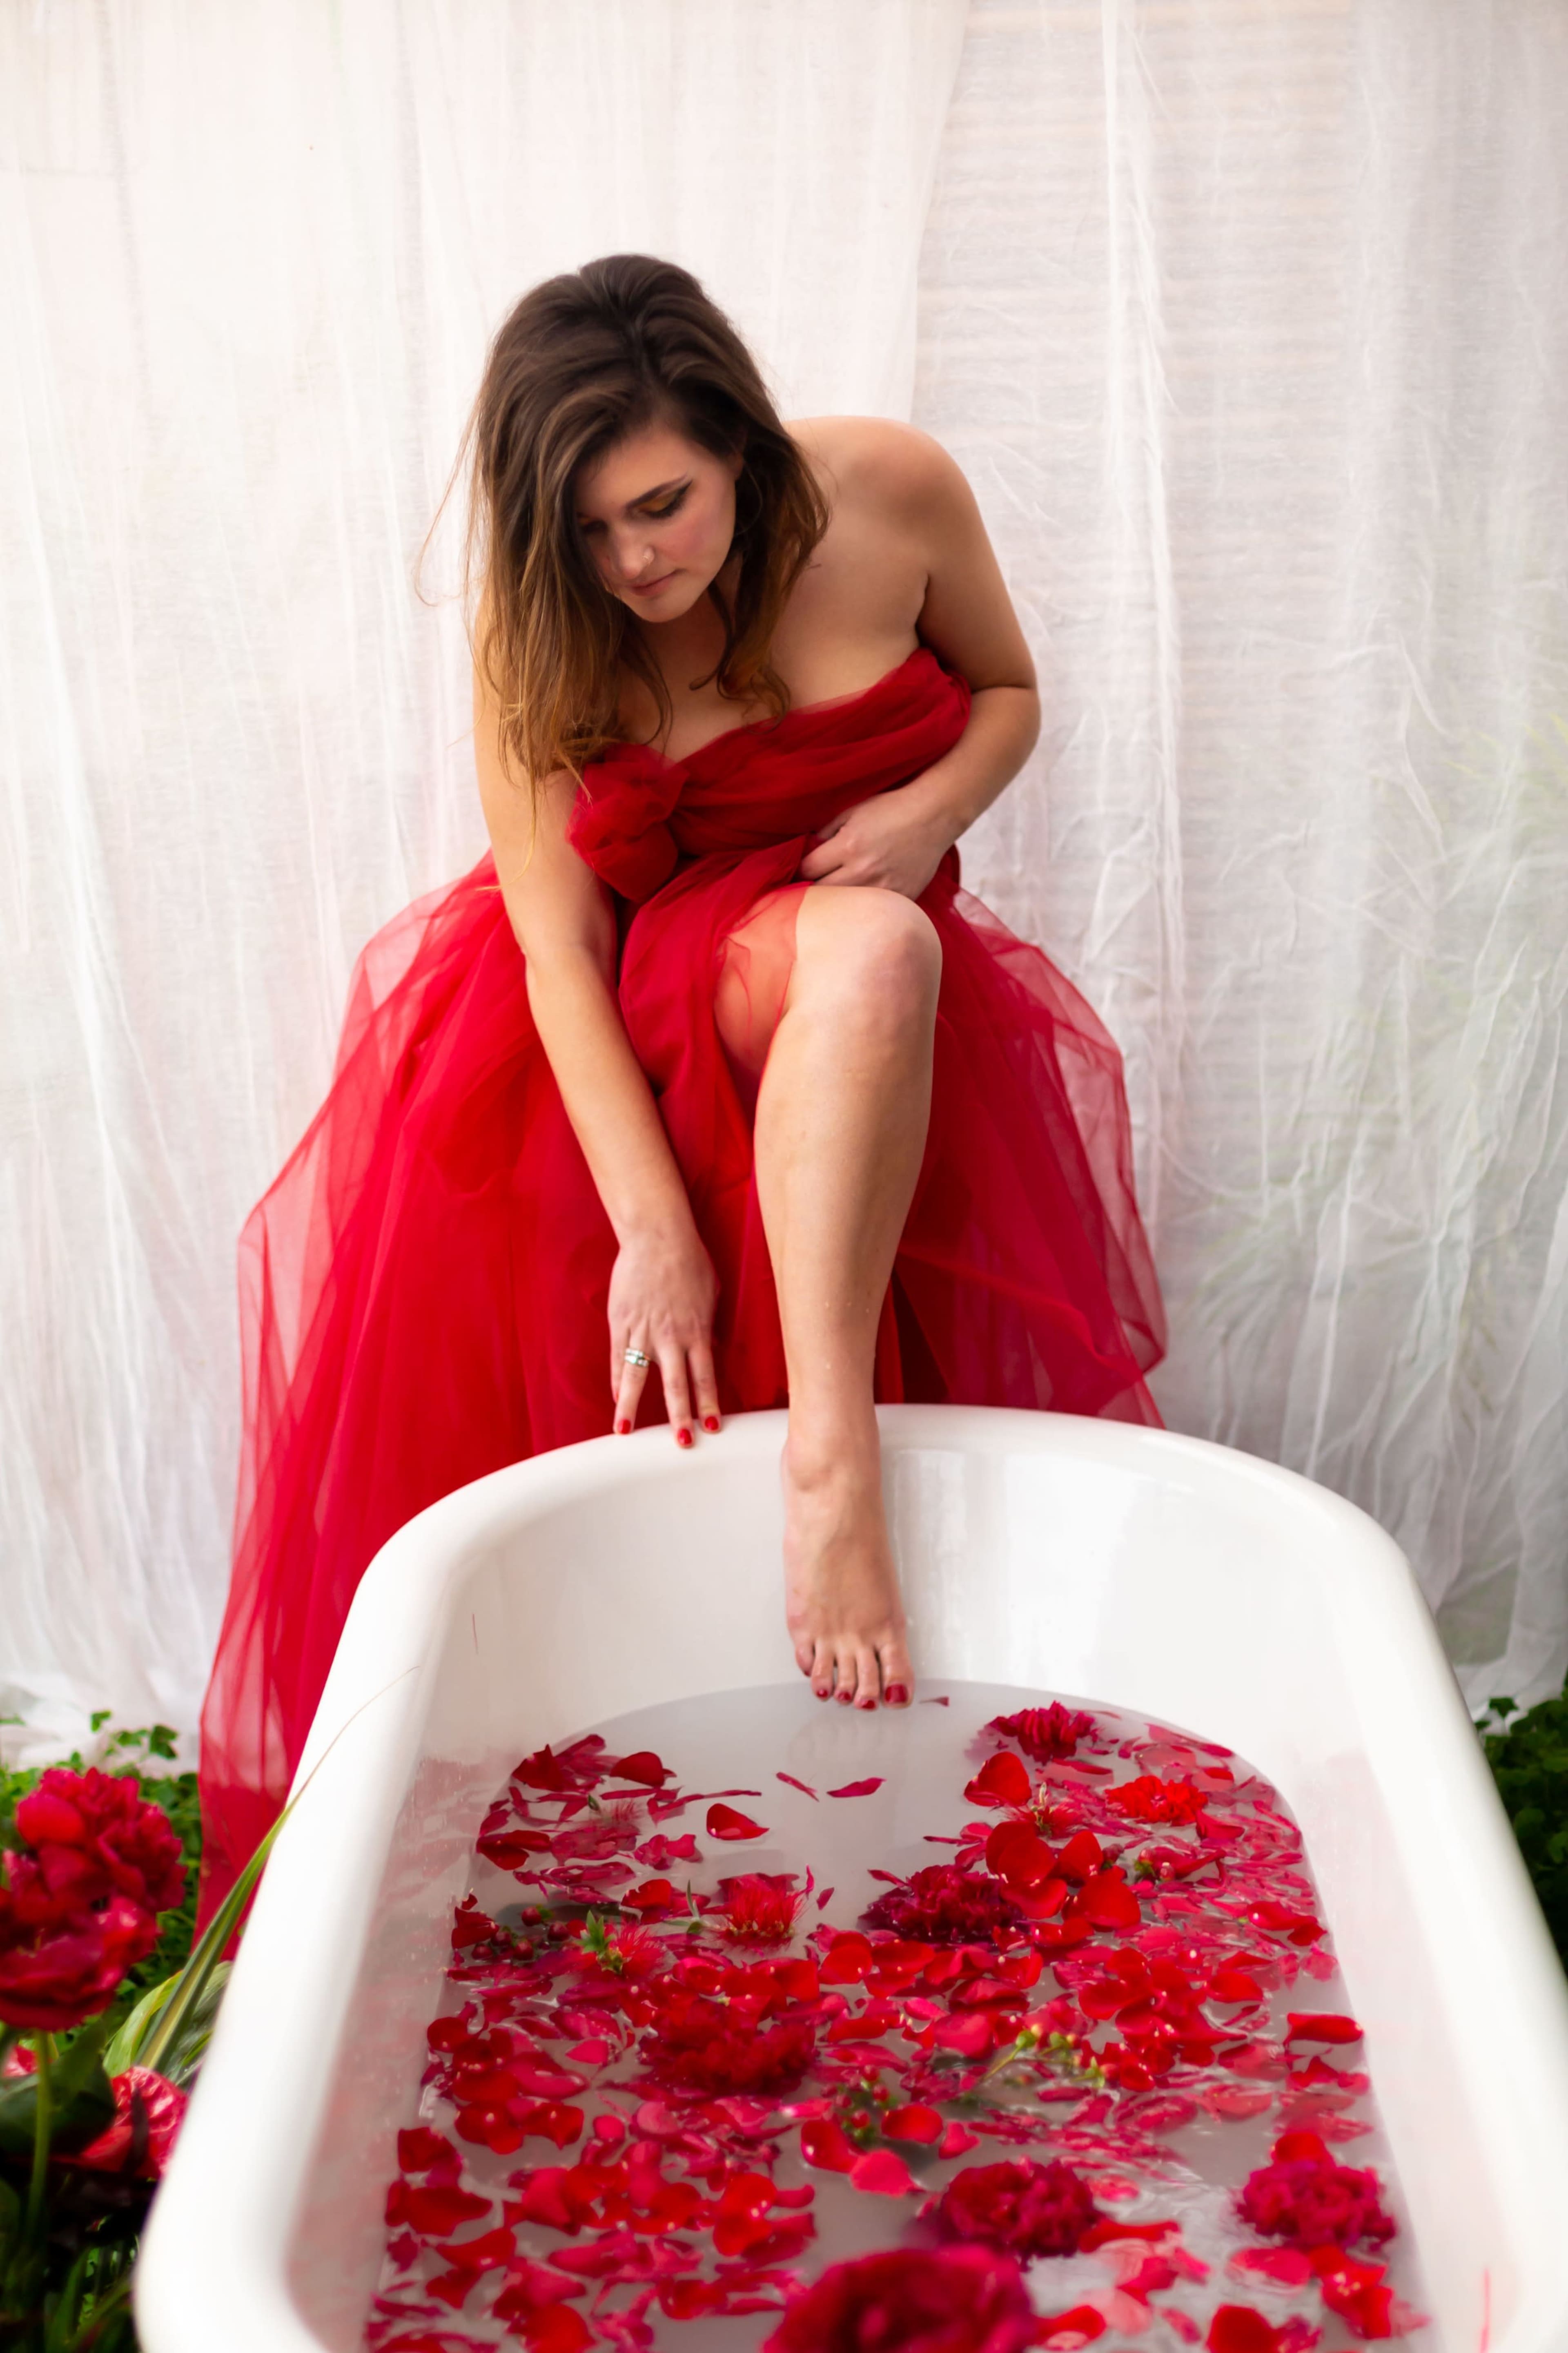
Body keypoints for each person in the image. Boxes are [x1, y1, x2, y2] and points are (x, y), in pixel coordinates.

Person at [194, 254, 1164, 1925]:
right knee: (870, 957)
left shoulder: (895, 489)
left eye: (661, 504)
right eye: (586, 530)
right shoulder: (544, 630)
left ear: (741, 442)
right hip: (660, 998)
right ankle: (826, 1468)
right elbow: (556, 952)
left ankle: (834, 1504)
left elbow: (1008, 695)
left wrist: (934, 811)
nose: (635, 561)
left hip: (863, 952)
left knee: (876, 949)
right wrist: (655, 1228)